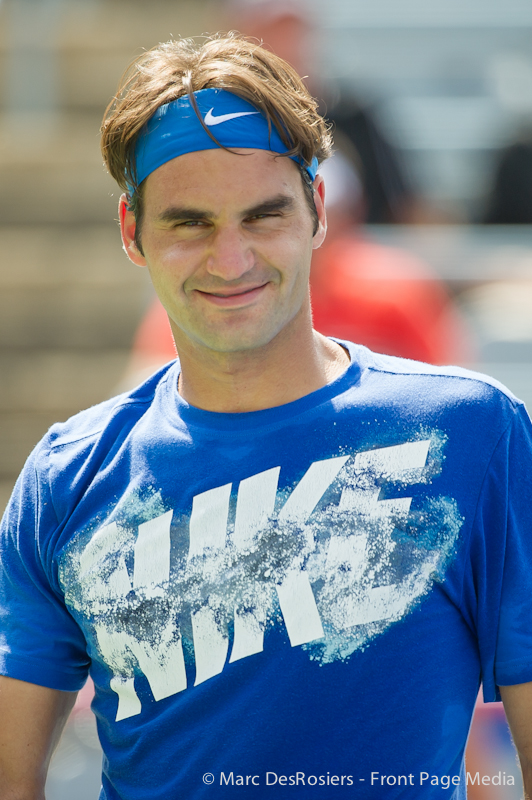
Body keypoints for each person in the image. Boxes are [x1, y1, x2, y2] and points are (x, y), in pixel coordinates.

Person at [0, 33, 532, 800]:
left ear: (317, 209)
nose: (231, 258)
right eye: (189, 223)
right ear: (131, 231)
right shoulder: (68, 478)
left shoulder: (472, 435)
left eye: (263, 215)